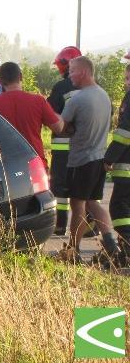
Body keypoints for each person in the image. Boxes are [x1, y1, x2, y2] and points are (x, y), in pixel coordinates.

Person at [57, 56, 118, 263]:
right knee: (94, 202)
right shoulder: (104, 95)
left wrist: (67, 128)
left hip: (81, 160)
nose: (69, 74)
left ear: (83, 72)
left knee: (78, 205)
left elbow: (60, 127)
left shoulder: (78, 99)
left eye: (72, 70)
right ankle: (111, 244)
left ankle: (72, 251)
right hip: (99, 157)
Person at [0, 62, 62, 166]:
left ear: (0, 81)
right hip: (36, 165)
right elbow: (58, 128)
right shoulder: (38, 101)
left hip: (7, 167)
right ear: (21, 77)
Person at [48, 46, 82, 235]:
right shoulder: (92, 86)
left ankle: (60, 224)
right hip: (85, 146)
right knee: (83, 186)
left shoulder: (60, 87)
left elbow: (49, 112)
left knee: (60, 186)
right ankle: (89, 226)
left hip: (62, 147)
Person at [104, 64, 130, 265]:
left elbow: (123, 134)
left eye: (129, 79)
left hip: (127, 165)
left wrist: (109, 158)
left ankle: (127, 250)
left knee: (119, 209)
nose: (126, 82)